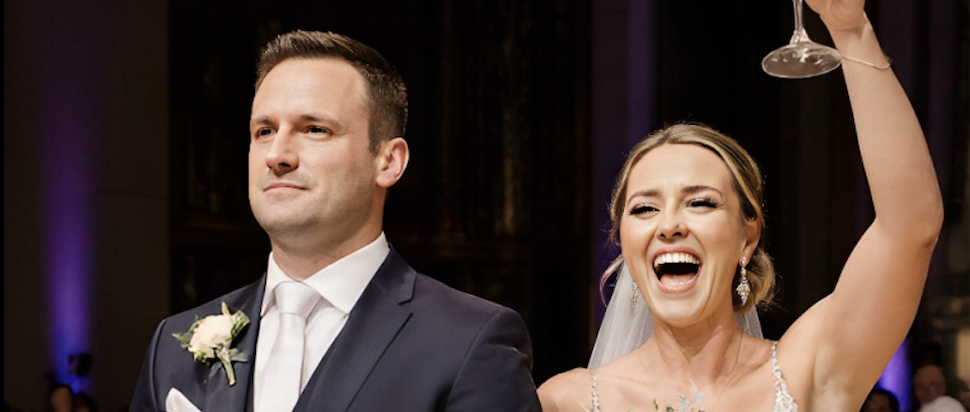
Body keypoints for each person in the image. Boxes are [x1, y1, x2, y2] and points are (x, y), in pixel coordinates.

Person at [537, 0, 944, 410]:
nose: (669, 225)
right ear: (624, 242)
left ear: (747, 238)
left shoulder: (805, 371)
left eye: (700, 202)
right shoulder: (566, 401)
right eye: (645, 209)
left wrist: (851, 29)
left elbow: (910, 229)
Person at [130, 30, 540, 412]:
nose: (277, 155)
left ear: (388, 161)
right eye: (265, 131)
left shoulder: (468, 341)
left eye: (314, 129)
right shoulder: (172, 346)